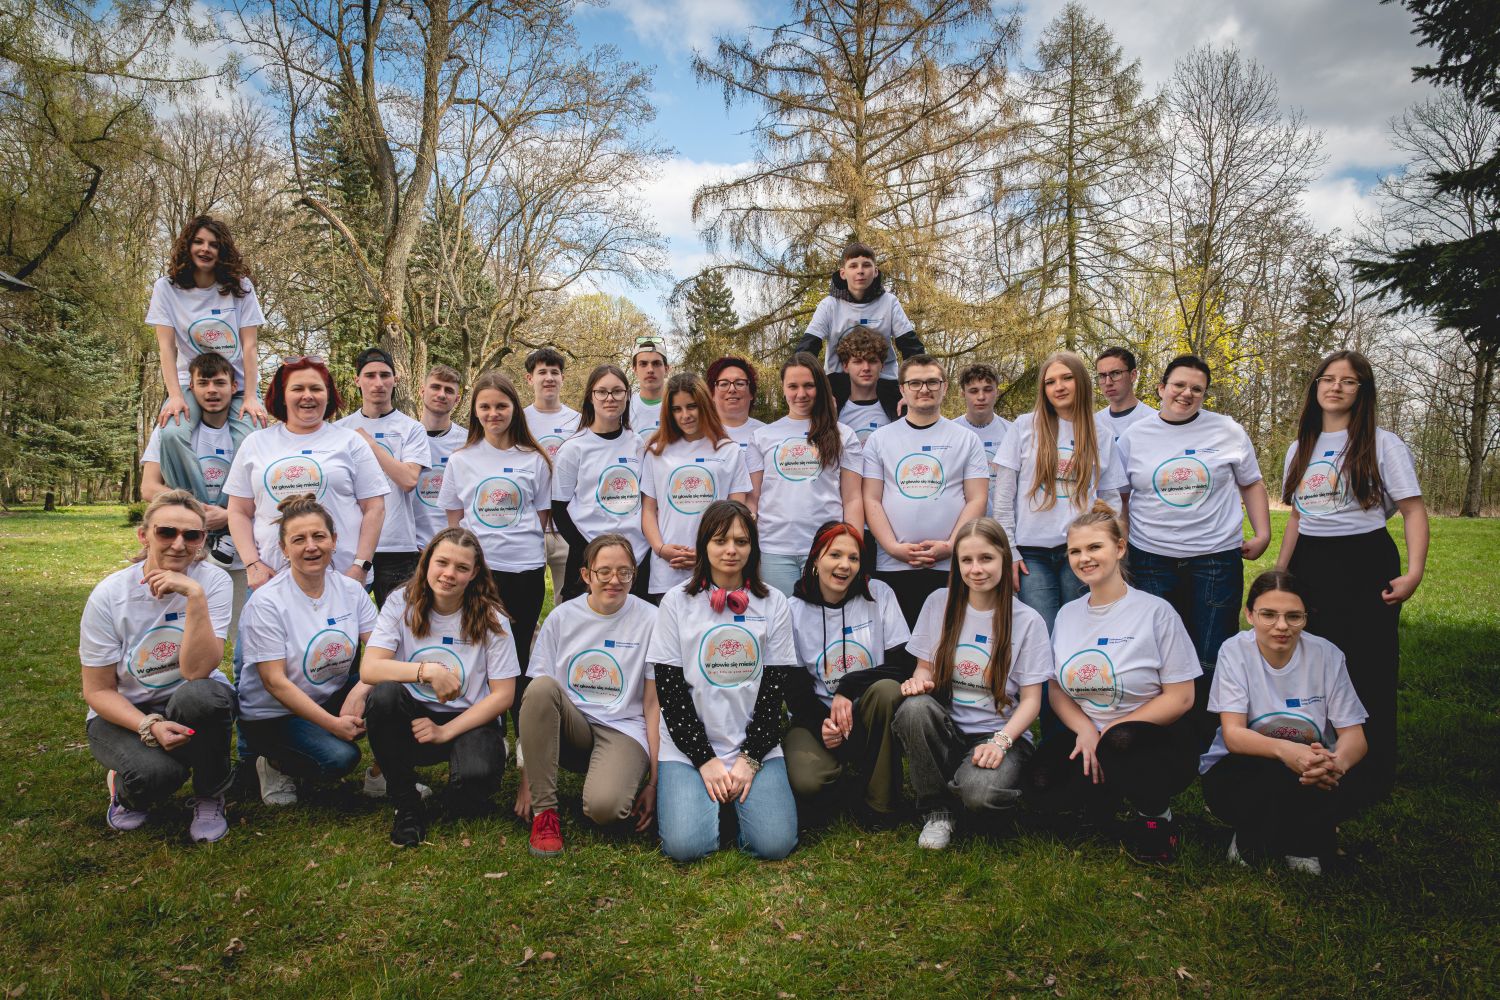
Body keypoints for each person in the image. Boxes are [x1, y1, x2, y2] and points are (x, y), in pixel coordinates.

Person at [1275, 350, 1426, 808]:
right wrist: (1281, 575)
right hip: (1311, 562)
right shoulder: (1300, 447)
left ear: (1363, 391)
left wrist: (1414, 573)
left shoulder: (1383, 443)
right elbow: (1297, 518)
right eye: (1328, 378)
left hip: (1365, 560)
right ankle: (1315, 757)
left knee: (1367, 665)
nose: (1336, 387)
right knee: (1312, 663)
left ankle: (1368, 774)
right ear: (1316, 386)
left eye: (1348, 380)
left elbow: (1412, 510)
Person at [1024, 503, 1202, 863]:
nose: (1084, 558)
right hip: (1090, 735)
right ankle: (1105, 793)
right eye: (1075, 551)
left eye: (1095, 547)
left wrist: (1111, 730)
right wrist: (1085, 730)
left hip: (1150, 738)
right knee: (1040, 787)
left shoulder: (1156, 612)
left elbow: (1182, 697)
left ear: (1120, 548)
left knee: (1121, 742)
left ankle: (1156, 815)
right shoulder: (1068, 615)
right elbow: (1056, 689)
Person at [1114, 354, 1271, 738]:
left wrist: (1263, 533)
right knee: (1156, 652)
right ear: (1161, 388)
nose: (1186, 393)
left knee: (1210, 653)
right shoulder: (1135, 436)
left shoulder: (1227, 431)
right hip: (1151, 559)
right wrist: (1121, 543)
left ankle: (1204, 738)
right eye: (1179, 385)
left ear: (1204, 395)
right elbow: (1121, 496)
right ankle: (1158, 735)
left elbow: (1251, 483)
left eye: (1196, 389)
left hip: (1214, 559)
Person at [80, 490, 235, 842]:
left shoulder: (213, 582)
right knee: (159, 775)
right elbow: (98, 690)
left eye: (191, 535)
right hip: (126, 711)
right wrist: (148, 725)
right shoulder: (109, 595)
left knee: (205, 696)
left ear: (202, 540)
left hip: (188, 698)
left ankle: (210, 795)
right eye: (166, 532)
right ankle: (126, 790)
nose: (179, 545)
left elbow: (197, 671)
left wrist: (194, 596)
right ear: (144, 535)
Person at [648, 500, 798, 862]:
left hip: (753, 742)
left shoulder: (775, 602)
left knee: (775, 845)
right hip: (688, 746)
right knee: (686, 848)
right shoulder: (675, 603)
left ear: (753, 548)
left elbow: (774, 692)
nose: (731, 550)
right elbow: (670, 692)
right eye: (720, 540)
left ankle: (734, 802)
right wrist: (704, 759)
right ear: (704, 545)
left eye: (741, 541)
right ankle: (713, 801)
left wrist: (749, 758)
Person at [893, 518, 1051, 850]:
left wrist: (1001, 743)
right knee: (914, 708)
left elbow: (1032, 701)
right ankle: (937, 810)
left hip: (1000, 735)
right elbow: (924, 669)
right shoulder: (939, 602)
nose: (976, 569)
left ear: (1004, 559)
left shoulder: (1028, 621)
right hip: (949, 729)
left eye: (986, 558)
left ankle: (977, 785)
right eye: (967, 560)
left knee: (979, 796)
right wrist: (918, 684)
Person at [1200, 570, 1368, 875]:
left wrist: (1334, 765)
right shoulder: (1234, 651)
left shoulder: (1327, 655)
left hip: (1313, 768)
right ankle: (1251, 834)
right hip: (1242, 767)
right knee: (1273, 771)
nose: (1281, 626)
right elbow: (1234, 735)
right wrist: (1287, 751)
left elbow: (1354, 737)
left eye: (1293, 616)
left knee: (1343, 775)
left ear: (1306, 618)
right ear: (1249, 615)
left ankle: (1303, 842)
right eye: (1268, 615)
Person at [362, 529, 519, 846]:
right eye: (442, 562)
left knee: (472, 789)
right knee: (383, 695)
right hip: (413, 718)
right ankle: (406, 803)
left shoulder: (492, 616)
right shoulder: (401, 602)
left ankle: (477, 765)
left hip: (469, 720)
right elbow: (370, 668)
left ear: (474, 573)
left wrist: (445, 731)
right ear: (426, 560)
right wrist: (428, 671)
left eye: (461, 568)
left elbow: (504, 694)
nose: (449, 574)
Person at [516, 534, 660, 856]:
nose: (614, 580)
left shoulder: (652, 620)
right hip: (573, 725)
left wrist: (654, 782)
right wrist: (529, 778)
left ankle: (609, 777)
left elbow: (653, 705)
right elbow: (536, 704)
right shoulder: (561, 617)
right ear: (586, 575)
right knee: (540, 688)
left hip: (623, 727)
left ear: (634, 575)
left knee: (605, 809)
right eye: (603, 571)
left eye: (624, 572)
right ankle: (545, 814)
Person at [235, 495, 379, 805]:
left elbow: (383, 650)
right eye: (298, 539)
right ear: (284, 549)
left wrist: (360, 690)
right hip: (274, 715)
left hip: (327, 697)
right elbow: (274, 682)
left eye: (319, 536)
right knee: (340, 758)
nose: (311, 546)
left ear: (334, 540)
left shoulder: (351, 591)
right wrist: (333, 725)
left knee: (391, 688)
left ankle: (385, 773)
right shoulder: (267, 602)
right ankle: (273, 762)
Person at [783, 521, 911, 823]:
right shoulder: (792, 610)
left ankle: (880, 803)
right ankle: (847, 783)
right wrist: (824, 725)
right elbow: (795, 691)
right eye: (835, 555)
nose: (845, 565)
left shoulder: (878, 594)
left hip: (868, 712)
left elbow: (903, 665)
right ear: (816, 560)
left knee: (887, 690)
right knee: (807, 781)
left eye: (853, 558)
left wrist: (848, 686)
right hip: (817, 716)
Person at [225, 357, 388, 590]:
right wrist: (252, 564)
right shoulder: (255, 443)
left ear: (328, 395)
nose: (307, 396)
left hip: (343, 579)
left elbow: (375, 508)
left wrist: (360, 566)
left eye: (316, 388)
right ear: (282, 396)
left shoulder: (350, 441)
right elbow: (238, 511)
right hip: (271, 581)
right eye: (297, 389)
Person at [994, 350, 1124, 632]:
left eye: (1067, 378)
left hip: (1080, 550)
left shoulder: (1100, 434)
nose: (1059, 387)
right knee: (1043, 631)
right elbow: (1003, 497)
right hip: (1031, 554)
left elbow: (1111, 499)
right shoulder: (1024, 426)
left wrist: (1105, 548)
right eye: (1050, 382)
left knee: (1079, 630)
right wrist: (1009, 551)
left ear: (1081, 382)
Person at [437, 371, 551, 680]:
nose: (493, 413)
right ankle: (485, 708)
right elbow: (454, 522)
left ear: (514, 408)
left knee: (520, 647)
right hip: (481, 570)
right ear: (475, 411)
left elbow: (541, 516)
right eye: (485, 407)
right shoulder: (460, 459)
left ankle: (519, 706)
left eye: (501, 406)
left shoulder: (534, 459)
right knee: (480, 646)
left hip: (526, 569)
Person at [861, 355, 990, 628]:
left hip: (949, 563)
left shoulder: (967, 439)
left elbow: (977, 498)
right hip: (893, 564)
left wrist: (952, 546)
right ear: (902, 389)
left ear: (944, 387)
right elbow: (871, 498)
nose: (924, 389)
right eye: (915, 383)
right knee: (898, 644)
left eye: (932, 382)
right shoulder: (879, 439)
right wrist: (893, 548)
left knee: (947, 639)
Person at [141, 352, 247, 634]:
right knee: (174, 634)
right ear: (191, 387)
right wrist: (196, 514)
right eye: (203, 383)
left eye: (219, 383)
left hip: (238, 552)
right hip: (181, 548)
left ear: (234, 387)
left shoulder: (252, 434)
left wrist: (229, 515)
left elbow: (264, 493)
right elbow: (149, 487)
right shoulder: (169, 429)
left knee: (245, 637)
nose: (212, 390)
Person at [746, 354, 863, 596]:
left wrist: (852, 549)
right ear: (783, 388)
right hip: (774, 549)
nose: (801, 394)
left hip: (828, 548)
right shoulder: (762, 436)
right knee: (780, 616)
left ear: (820, 387)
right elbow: (753, 499)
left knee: (822, 616)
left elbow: (852, 498)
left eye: (809, 385)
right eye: (793, 386)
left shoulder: (844, 435)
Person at [149, 215, 268, 432]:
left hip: (239, 383)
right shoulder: (166, 289)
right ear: (187, 246)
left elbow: (250, 345)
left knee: (250, 435)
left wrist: (251, 396)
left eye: (214, 245)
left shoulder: (241, 287)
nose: (205, 249)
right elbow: (166, 347)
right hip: (191, 383)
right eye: (198, 242)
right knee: (172, 433)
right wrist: (175, 396)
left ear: (222, 252)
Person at [642, 373, 752, 602]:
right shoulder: (656, 452)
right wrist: (661, 549)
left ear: (704, 405)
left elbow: (737, 515)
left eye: (691, 406)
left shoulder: (729, 450)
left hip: (717, 568)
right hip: (668, 570)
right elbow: (649, 510)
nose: (685, 415)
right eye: (677, 409)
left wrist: (706, 553)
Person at [335, 347, 429, 607]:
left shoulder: (412, 428)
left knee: (402, 624)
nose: (378, 383)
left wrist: (369, 444)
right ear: (357, 380)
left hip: (397, 547)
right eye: (370, 376)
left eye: (385, 375)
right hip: (351, 545)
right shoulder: (339, 429)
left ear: (395, 380)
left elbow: (409, 480)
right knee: (344, 622)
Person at [551, 364, 651, 602]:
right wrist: (589, 552)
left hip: (636, 557)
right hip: (588, 557)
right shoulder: (573, 448)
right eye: (602, 392)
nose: (610, 398)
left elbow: (646, 500)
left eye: (617, 391)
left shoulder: (637, 443)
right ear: (590, 396)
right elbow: (559, 509)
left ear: (627, 396)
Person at [794, 241, 925, 413]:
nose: (860, 271)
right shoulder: (829, 305)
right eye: (853, 266)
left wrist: (914, 387)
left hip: (884, 379)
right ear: (843, 273)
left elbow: (913, 349)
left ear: (875, 271)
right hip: (838, 380)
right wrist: (817, 389)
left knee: (906, 415)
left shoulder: (889, 302)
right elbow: (805, 351)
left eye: (866, 265)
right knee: (821, 419)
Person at [523, 348, 581, 599]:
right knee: (524, 600)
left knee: (567, 600)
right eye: (542, 372)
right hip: (529, 524)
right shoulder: (518, 420)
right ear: (530, 378)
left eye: (554, 372)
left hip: (566, 526)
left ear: (562, 378)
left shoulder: (578, 421)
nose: (549, 378)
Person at [413, 364, 468, 551]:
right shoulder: (404, 438)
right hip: (410, 548)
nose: (441, 394)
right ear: (422, 391)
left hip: (453, 545)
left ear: (457, 399)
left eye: (449, 390)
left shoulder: (468, 442)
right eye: (435, 387)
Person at [955, 362, 1013, 495]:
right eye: (973, 391)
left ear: (997, 392)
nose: (981, 397)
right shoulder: (950, 433)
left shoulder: (1012, 432)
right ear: (963, 394)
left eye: (987, 390)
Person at [834, 326, 899, 443]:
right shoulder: (832, 410)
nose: (866, 368)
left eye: (872, 361)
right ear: (845, 366)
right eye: (858, 362)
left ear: (882, 365)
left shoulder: (898, 409)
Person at [1093, 347, 1156, 444]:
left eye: (1115, 373)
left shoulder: (1154, 421)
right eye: (1102, 376)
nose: (1108, 382)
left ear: (1133, 375)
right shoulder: (1094, 423)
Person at [707, 355, 765, 454]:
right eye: (724, 384)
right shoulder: (698, 435)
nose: (732, 389)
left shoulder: (768, 435)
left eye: (740, 383)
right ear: (712, 394)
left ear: (751, 393)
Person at [629, 337, 670, 437]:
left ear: (666, 369)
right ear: (635, 370)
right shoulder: (625, 408)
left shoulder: (679, 406)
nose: (650, 369)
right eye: (643, 364)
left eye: (656, 363)